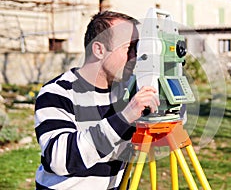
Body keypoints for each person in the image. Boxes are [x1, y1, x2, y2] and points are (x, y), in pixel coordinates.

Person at [34, 11, 160, 189]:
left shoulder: (128, 91)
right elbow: (59, 159)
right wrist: (124, 118)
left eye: (137, 48)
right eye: (129, 48)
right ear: (99, 50)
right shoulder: (58, 92)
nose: (135, 56)